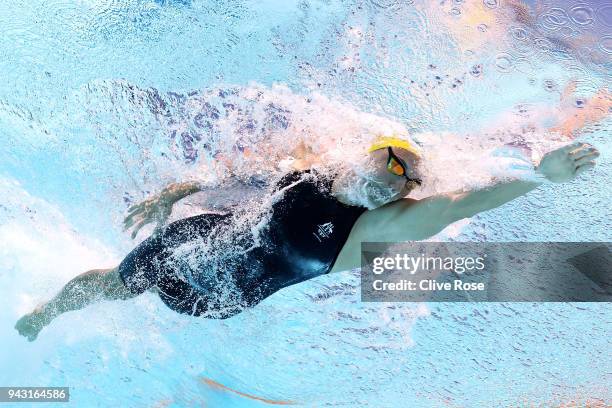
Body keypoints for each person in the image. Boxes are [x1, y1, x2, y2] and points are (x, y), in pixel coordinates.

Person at [14, 97, 605, 341]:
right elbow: (246, 168)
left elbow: (461, 204)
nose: (400, 178)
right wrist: (176, 191)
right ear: (370, 152)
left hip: (219, 298)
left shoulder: (377, 229)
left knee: (140, 292)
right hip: (193, 237)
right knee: (118, 283)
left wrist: (539, 175)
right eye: (395, 161)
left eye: (409, 179)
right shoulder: (314, 165)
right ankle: (48, 310)